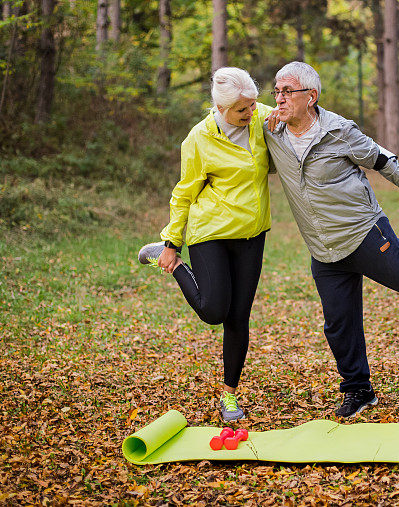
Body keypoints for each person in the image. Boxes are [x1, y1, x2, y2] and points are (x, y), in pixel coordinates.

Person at [264, 61, 399, 418]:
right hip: (323, 249)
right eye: (277, 91)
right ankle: (358, 391)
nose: (280, 98)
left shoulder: (339, 132)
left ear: (311, 96)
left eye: (288, 91)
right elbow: (236, 119)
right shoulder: (272, 133)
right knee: (339, 325)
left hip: (363, 232)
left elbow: (385, 162)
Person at [136, 67, 273, 422]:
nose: (251, 112)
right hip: (210, 231)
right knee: (214, 311)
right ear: (221, 108)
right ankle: (171, 264)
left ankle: (230, 396)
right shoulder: (198, 138)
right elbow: (184, 193)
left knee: (238, 316)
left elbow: (294, 119)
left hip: (251, 234)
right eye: (242, 110)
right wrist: (172, 243)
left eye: (254, 104)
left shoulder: (261, 120)